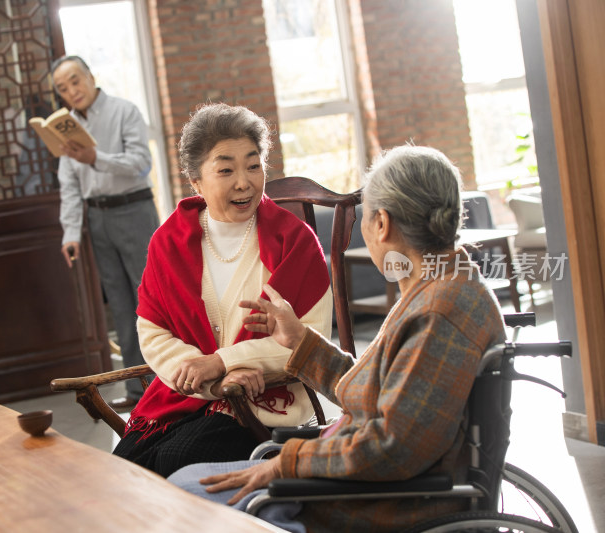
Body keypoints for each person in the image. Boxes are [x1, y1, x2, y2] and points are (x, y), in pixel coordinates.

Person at [168, 145, 507, 532]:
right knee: (186, 483)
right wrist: (300, 340)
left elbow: (393, 447)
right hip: (355, 477)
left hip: (371, 502)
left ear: (380, 223)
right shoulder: (439, 288)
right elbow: (375, 393)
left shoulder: (440, 311)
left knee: (187, 498)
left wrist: (288, 463)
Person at [112, 103, 334, 477]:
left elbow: (311, 339)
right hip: (185, 396)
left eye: (253, 164)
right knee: (124, 471)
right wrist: (212, 382)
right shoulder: (169, 241)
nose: (244, 181)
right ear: (196, 181)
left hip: (265, 402)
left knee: (175, 460)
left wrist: (222, 361)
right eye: (226, 170)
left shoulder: (294, 241)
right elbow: (153, 331)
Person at [51, 55, 160, 411]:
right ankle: (135, 391)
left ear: (91, 76)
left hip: (134, 210)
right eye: (63, 88)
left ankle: (167, 384)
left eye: (75, 80)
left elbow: (141, 163)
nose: (72, 91)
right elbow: (68, 184)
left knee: (150, 299)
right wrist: (70, 233)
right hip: (97, 220)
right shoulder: (65, 127)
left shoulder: (124, 111)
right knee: (121, 303)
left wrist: (95, 158)